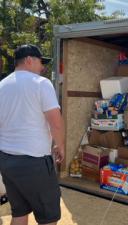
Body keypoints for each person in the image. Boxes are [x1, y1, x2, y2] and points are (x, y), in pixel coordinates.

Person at [0, 44, 65, 225]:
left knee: (19, 213)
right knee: (48, 218)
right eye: (40, 62)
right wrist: (60, 146)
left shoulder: (2, 86)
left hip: (6, 160)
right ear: (29, 60)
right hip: (34, 163)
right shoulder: (41, 83)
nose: (42, 68)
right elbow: (56, 123)